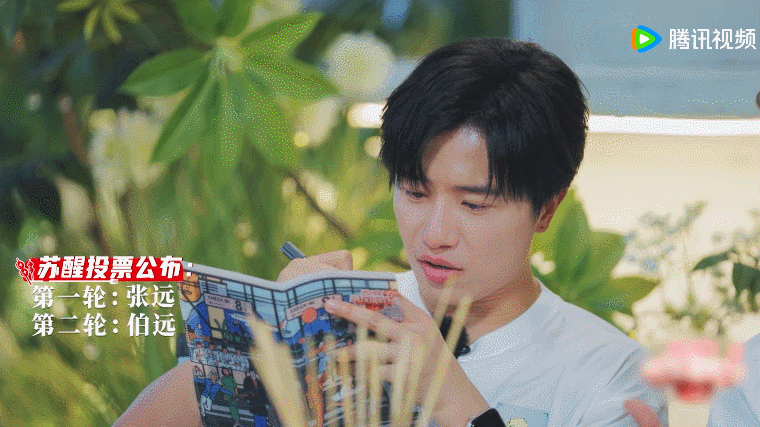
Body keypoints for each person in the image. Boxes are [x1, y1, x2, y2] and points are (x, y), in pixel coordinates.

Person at [113, 37, 666, 427]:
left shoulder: (612, 378)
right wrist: (265, 347)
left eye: (474, 204)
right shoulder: (347, 319)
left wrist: (456, 403)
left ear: (546, 209)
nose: (435, 233)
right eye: (415, 192)